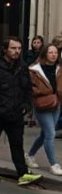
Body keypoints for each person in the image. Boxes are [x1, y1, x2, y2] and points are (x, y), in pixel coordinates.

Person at [0, 37, 43, 186]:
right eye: (13, 48)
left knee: (17, 144)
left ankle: (22, 173)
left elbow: (27, 88)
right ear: (5, 49)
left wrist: (26, 106)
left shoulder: (22, 66)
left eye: (19, 48)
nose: (17, 51)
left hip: (15, 112)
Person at [26, 44, 62, 176]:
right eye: (50, 52)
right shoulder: (34, 70)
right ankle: (54, 164)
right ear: (45, 54)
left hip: (56, 104)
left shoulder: (59, 69)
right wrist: (40, 92)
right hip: (42, 105)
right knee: (50, 133)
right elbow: (29, 87)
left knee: (45, 134)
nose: (53, 55)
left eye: (55, 52)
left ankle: (30, 155)